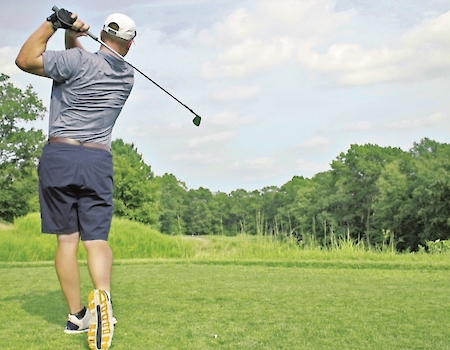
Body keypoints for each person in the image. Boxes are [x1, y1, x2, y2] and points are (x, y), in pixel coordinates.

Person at [15, 7, 136, 350]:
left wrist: (55, 24)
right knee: (95, 239)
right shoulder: (126, 75)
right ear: (129, 45)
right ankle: (104, 302)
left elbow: (25, 59)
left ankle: (77, 315)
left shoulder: (75, 63)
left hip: (61, 156)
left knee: (67, 241)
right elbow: (81, 60)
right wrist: (74, 36)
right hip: (97, 160)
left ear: (103, 33)